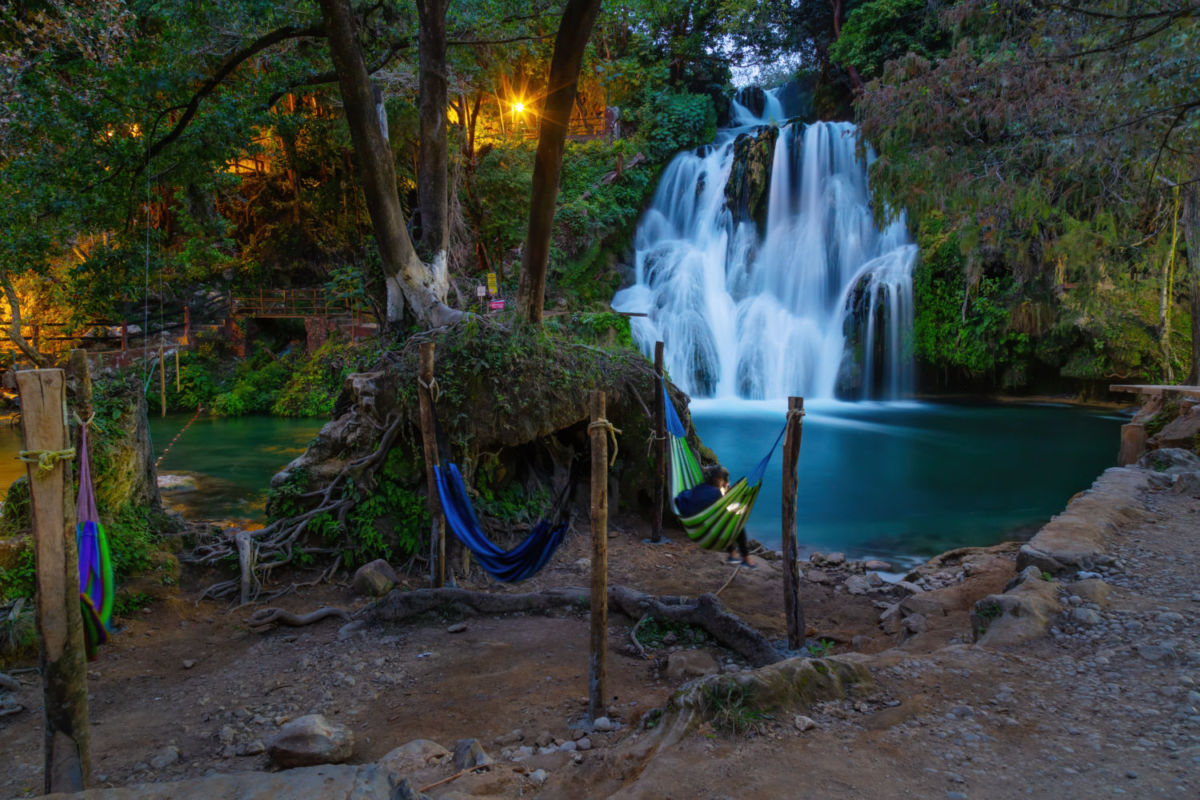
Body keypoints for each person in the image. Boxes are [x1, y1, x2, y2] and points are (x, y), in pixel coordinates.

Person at [674, 465, 753, 567]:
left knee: (724, 518)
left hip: (693, 524)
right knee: (735, 522)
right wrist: (742, 506)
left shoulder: (699, 488)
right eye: (726, 480)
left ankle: (733, 553)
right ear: (721, 480)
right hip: (707, 529)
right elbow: (730, 510)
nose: (727, 482)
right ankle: (745, 557)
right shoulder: (716, 494)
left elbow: (681, 497)